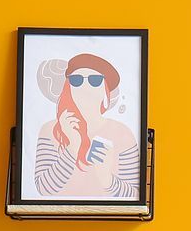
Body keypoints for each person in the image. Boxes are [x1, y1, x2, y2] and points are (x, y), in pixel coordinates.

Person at [33, 54, 139, 199]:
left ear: (105, 90)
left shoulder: (123, 134)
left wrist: (106, 179)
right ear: (68, 87)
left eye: (95, 80)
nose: (85, 87)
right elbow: (43, 189)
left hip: (107, 217)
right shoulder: (50, 130)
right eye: (76, 80)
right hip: (58, 216)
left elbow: (135, 195)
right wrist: (72, 147)